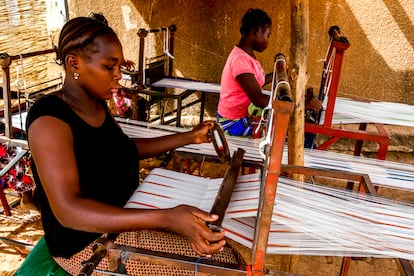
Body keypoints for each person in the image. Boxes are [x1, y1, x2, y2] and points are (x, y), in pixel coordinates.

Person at [18, 17, 234, 275]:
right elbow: (69, 211)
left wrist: (187, 137)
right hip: (87, 243)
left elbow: (121, 150)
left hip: (125, 214)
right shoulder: (49, 120)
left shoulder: (95, 103)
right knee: (221, 268)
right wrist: (165, 217)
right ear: (74, 63)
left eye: (118, 66)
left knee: (221, 249)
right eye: (109, 66)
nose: (118, 74)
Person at [216, 8, 322, 138]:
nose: (268, 41)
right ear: (257, 31)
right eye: (268, 35)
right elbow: (258, 99)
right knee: (285, 134)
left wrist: (281, 74)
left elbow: (257, 81)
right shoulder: (240, 60)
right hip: (232, 124)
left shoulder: (247, 57)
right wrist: (298, 104)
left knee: (283, 124)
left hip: (243, 117)